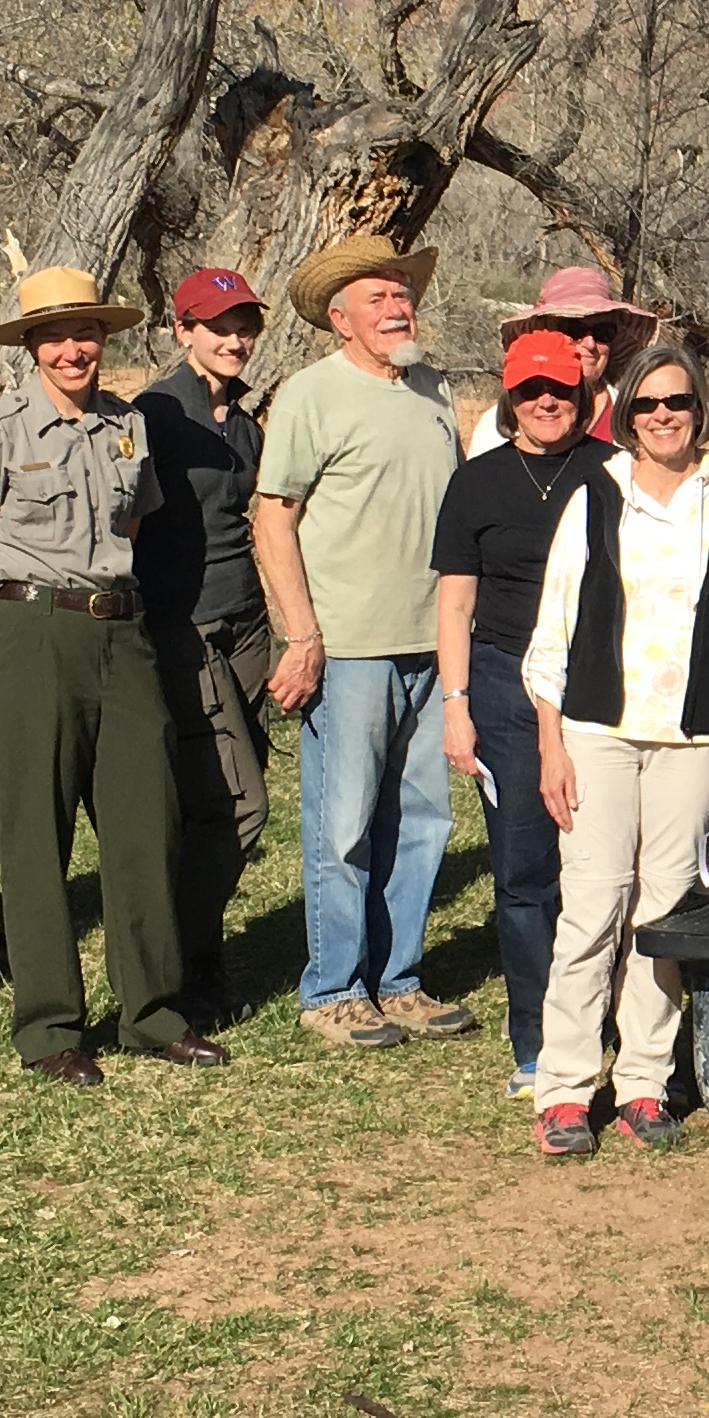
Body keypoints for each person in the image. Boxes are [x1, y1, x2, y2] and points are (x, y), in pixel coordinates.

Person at [0, 265, 217, 1084]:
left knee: (144, 826)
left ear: (105, 338)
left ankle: (153, 1012)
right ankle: (50, 1026)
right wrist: (3, 638)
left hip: (121, 633)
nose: (73, 349)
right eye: (55, 336)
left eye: (86, 333)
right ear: (30, 346)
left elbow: (131, 519)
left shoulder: (129, 426)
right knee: (34, 836)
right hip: (30, 633)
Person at [521, 346, 709, 1158]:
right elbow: (555, 624)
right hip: (596, 729)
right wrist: (549, 744)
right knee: (593, 905)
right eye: (645, 405)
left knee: (664, 913)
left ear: (700, 408)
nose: (662, 415)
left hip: (696, 735)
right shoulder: (597, 492)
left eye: (676, 402)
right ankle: (563, 1090)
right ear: (626, 416)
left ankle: (642, 1080)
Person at [253, 233, 468, 1049]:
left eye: (402, 293)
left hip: (433, 642)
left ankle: (399, 979)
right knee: (343, 825)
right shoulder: (312, 394)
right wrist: (302, 634)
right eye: (376, 297)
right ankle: (333, 989)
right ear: (339, 318)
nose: (396, 306)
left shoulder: (436, 391)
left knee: (422, 821)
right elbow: (274, 518)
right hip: (348, 645)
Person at [434, 329, 603, 1094]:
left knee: (599, 866)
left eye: (560, 390)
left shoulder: (612, 474)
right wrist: (457, 705)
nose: (546, 402)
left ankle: (605, 1025)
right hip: (503, 684)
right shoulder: (478, 482)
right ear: (509, 396)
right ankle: (536, 1039)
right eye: (532, 390)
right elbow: (456, 601)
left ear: (583, 396)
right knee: (525, 868)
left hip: (599, 685)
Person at [135, 267, 275, 1021]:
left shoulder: (244, 421)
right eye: (216, 324)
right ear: (183, 330)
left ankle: (200, 950)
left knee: (217, 802)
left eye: (244, 323)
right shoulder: (154, 412)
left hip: (246, 622)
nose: (234, 338)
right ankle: (188, 962)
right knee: (235, 805)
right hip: (181, 628)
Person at [470, 265, 661, 452]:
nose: (589, 344)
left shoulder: (636, 419)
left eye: (603, 332)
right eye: (574, 330)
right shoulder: (498, 426)